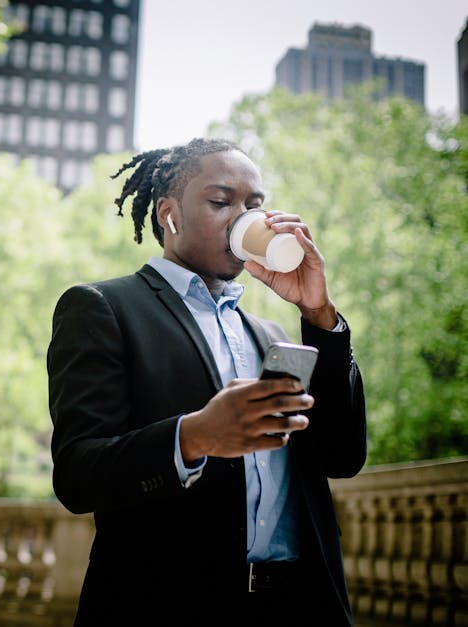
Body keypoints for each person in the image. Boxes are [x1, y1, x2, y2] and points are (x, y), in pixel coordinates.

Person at [46, 138, 367, 626]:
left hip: (298, 605)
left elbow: (341, 458)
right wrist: (194, 436)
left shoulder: (272, 335)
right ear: (169, 214)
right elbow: (77, 475)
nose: (244, 218)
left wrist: (318, 313)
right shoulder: (101, 308)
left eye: (254, 206)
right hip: (168, 606)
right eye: (221, 202)